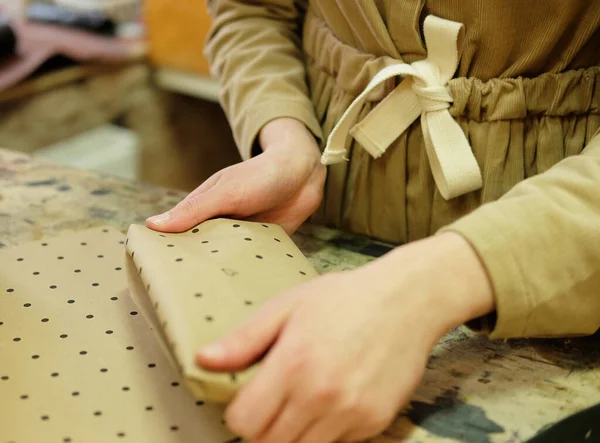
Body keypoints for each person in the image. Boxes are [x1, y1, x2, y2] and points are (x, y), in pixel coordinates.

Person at [147, 1, 600, 442]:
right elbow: (253, 9)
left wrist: (424, 291)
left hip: (560, 254)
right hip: (333, 200)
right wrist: (286, 137)